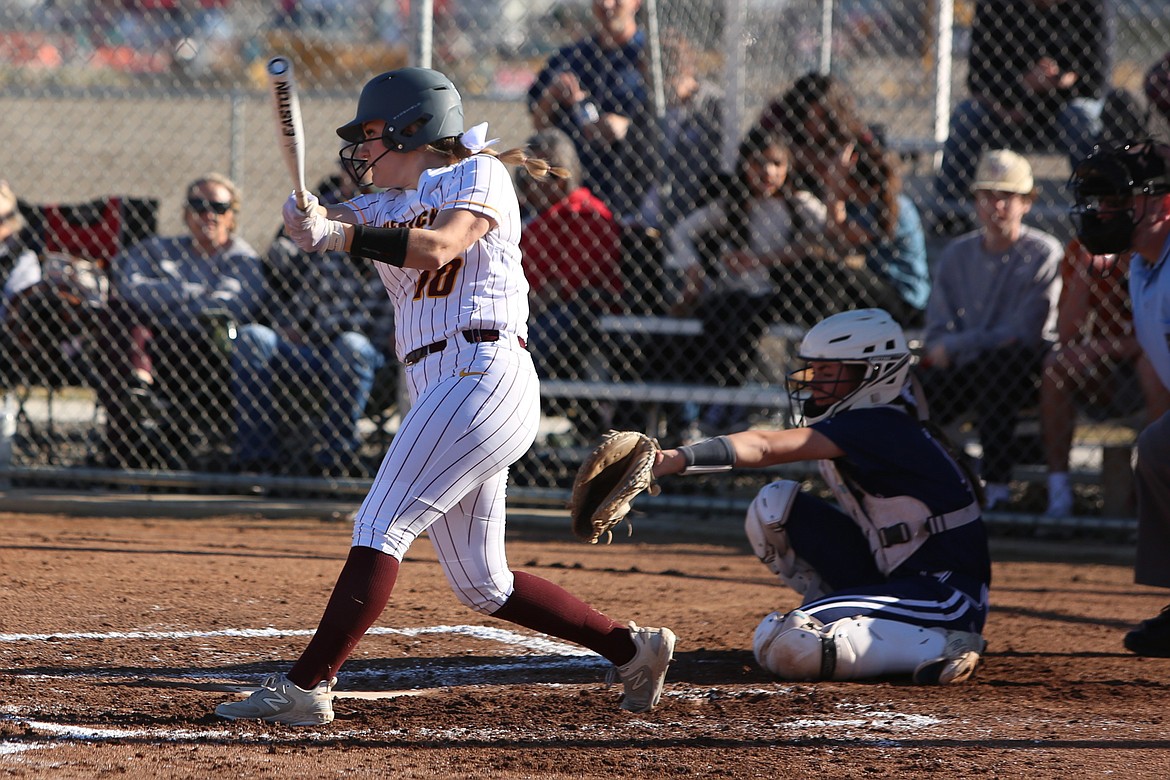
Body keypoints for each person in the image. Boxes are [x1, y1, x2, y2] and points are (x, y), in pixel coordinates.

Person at [214, 67, 676, 726]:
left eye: (374, 134)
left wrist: (340, 232)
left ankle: (306, 686)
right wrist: (311, 220)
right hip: (441, 386)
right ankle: (632, 649)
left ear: (414, 127)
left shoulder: (478, 173)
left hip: (483, 372)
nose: (364, 150)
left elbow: (437, 248)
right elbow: (335, 221)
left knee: (380, 524)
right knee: (483, 584)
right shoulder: (383, 202)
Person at [649, 309, 990, 684]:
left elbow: (764, 446)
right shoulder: (876, 415)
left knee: (790, 646)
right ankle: (841, 616)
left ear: (874, 373)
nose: (814, 382)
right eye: (814, 370)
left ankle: (944, 642)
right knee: (774, 506)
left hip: (944, 593)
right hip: (893, 571)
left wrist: (672, 460)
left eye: (830, 372)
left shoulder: (880, 421)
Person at [1069, 140, 1170, 656]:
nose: (1104, 212)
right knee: (1158, 447)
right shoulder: (1142, 265)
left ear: (1163, 204)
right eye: (1101, 201)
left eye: (1118, 201)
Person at [918, 150, 1062, 511]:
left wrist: (957, 345)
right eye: (986, 195)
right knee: (909, 387)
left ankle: (996, 488)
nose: (995, 205)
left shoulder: (1043, 252)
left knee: (998, 366)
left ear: (1027, 203)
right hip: (964, 366)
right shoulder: (957, 254)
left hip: (1018, 369)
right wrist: (949, 347)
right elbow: (936, 330)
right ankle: (928, 486)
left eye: (1006, 197)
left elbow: (1025, 333)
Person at [98, 173, 265, 469]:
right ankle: (136, 396)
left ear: (232, 216)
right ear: (186, 213)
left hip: (205, 350)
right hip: (151, 341)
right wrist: (196, 293)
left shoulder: (243, 260)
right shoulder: (158, 248)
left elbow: (229, 307)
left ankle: (124, 443)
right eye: (198, 206)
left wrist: (164, 296)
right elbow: (129, 288)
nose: (208, 214)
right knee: (119, 312)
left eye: (218, 207)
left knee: (129, 328)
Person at [230, 170, 390, 477]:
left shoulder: (399, 253)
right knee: (253, 337)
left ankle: (337, 457)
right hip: (318, 355)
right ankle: (258, 458)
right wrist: (289, 329)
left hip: (375, 362)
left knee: (351, 346)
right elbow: (299, 311)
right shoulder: (332, 252)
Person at [1039, 239, 1170, 518]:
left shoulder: (1159, 250)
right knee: (1055, 365)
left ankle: (1156, 488)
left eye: (1115, 204)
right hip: (1104, 371)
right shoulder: (1083, 249)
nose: (1103, 214)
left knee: (1151, 367)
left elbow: (1158, 340)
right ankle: (1058, 493)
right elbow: (1066, 335)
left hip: (1150, 366)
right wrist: (1087, 270)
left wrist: (1104, 347)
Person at [935, 0, 1110, 204]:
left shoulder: (1091, 6)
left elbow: (1097, 83)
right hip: (1006, 110)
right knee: (967, 114)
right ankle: (949, 214)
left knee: (1081, 115)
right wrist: (1023, 85)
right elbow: (977, 79)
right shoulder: (995, 5)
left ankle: (1097, 210)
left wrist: (1056, 82)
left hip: (1063, 112)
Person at [526, 0, 655, 222]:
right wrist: (551, 96)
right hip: (569, 189)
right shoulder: (571, 56)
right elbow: (539, 123)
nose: (606, 5)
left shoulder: (650, 58)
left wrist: (627, 127)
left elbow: (671, 121)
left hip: (628, 188)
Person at [517, 128, 623, 384]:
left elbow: (569, 283)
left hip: (577, 311)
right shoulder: (533, 217)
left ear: (561, 179)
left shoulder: (588, 214)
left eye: (535, 174)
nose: (525, 183)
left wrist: (523, 310)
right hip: (537, 308)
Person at [822, 138, 930, 328]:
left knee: (841, 272)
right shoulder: (858, 205)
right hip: (877, 290)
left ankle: (829, 331)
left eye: (846, 180)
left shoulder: (896, 208)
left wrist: (834, 187)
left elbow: (838, 233)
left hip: (905, 301)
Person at [637, 29, 725, 232]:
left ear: (687, 66)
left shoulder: (713, 106)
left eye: (671, 63)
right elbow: (628, 169)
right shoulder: (646, 109)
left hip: (693, 217)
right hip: (644, 219)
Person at [753, 71, 877, 202]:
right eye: (807, 117)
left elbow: (871, 151)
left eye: (824, 118)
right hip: (792, 193)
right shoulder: (779, 115)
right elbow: (758, 147)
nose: (817, 127)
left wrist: (835, 162)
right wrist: (800, 157)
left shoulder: (849, 126)